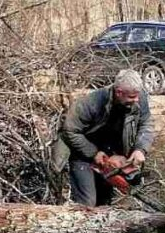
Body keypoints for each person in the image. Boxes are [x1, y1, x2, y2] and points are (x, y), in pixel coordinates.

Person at [57, 69, 155, 207]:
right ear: (119, 92)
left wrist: (140, 149)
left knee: (105, 203)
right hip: (82, 154)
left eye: (137, 95)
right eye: (132, 97)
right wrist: (93, 153)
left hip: (110, 154)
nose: (136, 100)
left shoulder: (139, 97)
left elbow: (146, 123)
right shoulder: (91, 103)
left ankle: (103, 226)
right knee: (87, 203)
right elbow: (70, 131)